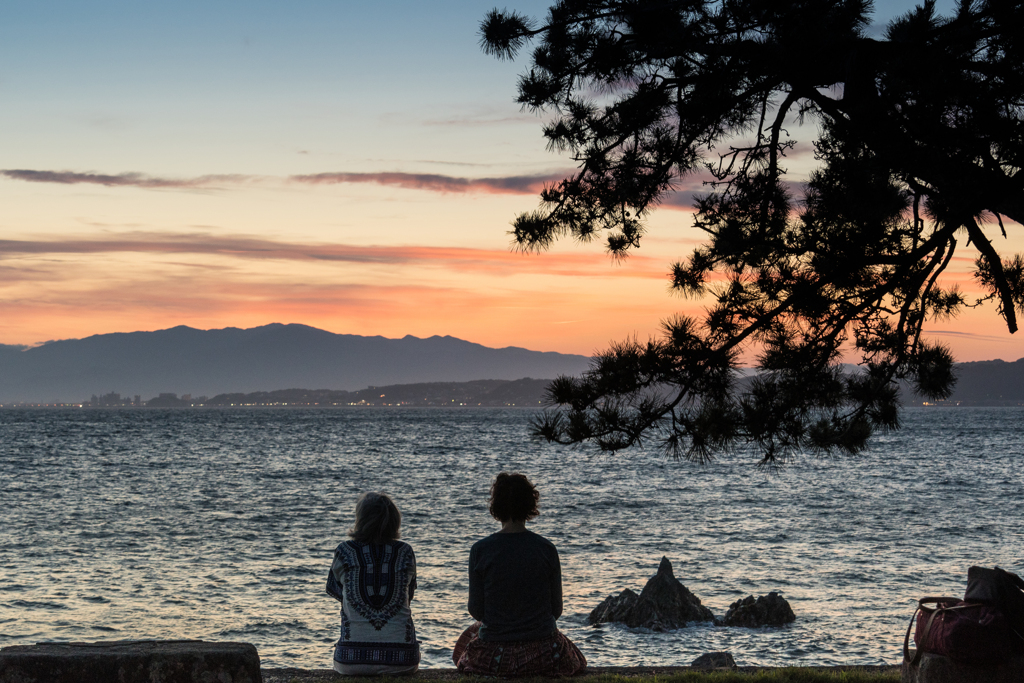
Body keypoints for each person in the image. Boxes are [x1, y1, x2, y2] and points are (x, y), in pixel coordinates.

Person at [453, 472, 587, 676]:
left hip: (494, 653)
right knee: (577, 657)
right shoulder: (546, 549)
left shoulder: (480, 550)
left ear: (496, 507)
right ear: (529, 506)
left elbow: (476, 610)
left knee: (465, 643)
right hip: (544, 652)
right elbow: (556, 610)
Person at [326, 492, 419, 676]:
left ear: (360, 520)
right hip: (403, 660)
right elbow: (408, 596)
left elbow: (337, 592)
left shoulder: (344, 551)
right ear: (394, 520)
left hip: (350, 660)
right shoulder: (405, 552)